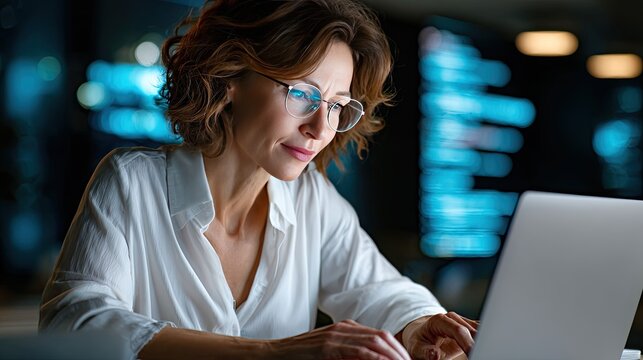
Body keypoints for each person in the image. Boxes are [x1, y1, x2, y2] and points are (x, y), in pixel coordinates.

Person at [39, 0, 478, 359]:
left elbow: (381, 291)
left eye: (337, 105)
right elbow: (75, 322)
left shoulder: (312, 201)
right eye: (303, 93)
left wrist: (420, 323)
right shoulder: (133, 182)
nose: (320, 128)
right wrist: (269, 352)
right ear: (232, 76)